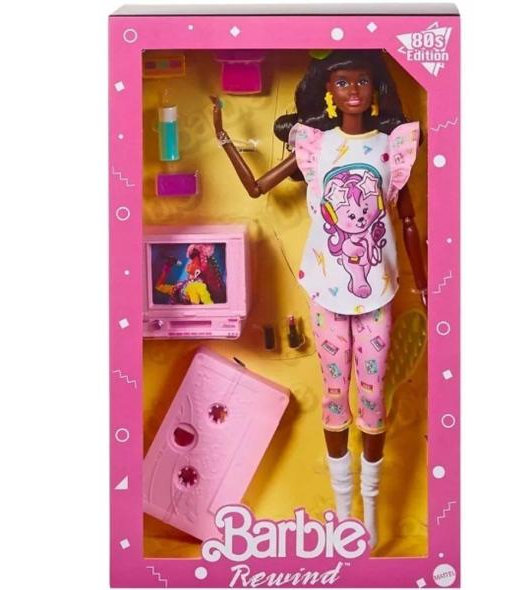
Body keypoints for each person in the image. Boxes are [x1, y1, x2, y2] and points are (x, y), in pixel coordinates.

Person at [211, 50, 426, 549]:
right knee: (333, 396)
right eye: (343, 82)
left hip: (377, 292)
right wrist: (221, 137)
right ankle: (344, 512)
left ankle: (370, 511)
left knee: (372, 397)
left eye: (362, 81)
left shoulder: (393, 146)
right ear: (328, 90)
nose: (353, 91)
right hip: (326, 292)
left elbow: (409, 221)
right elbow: (256, 187)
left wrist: (425, 284)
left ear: (375, 88)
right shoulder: (314, 144)